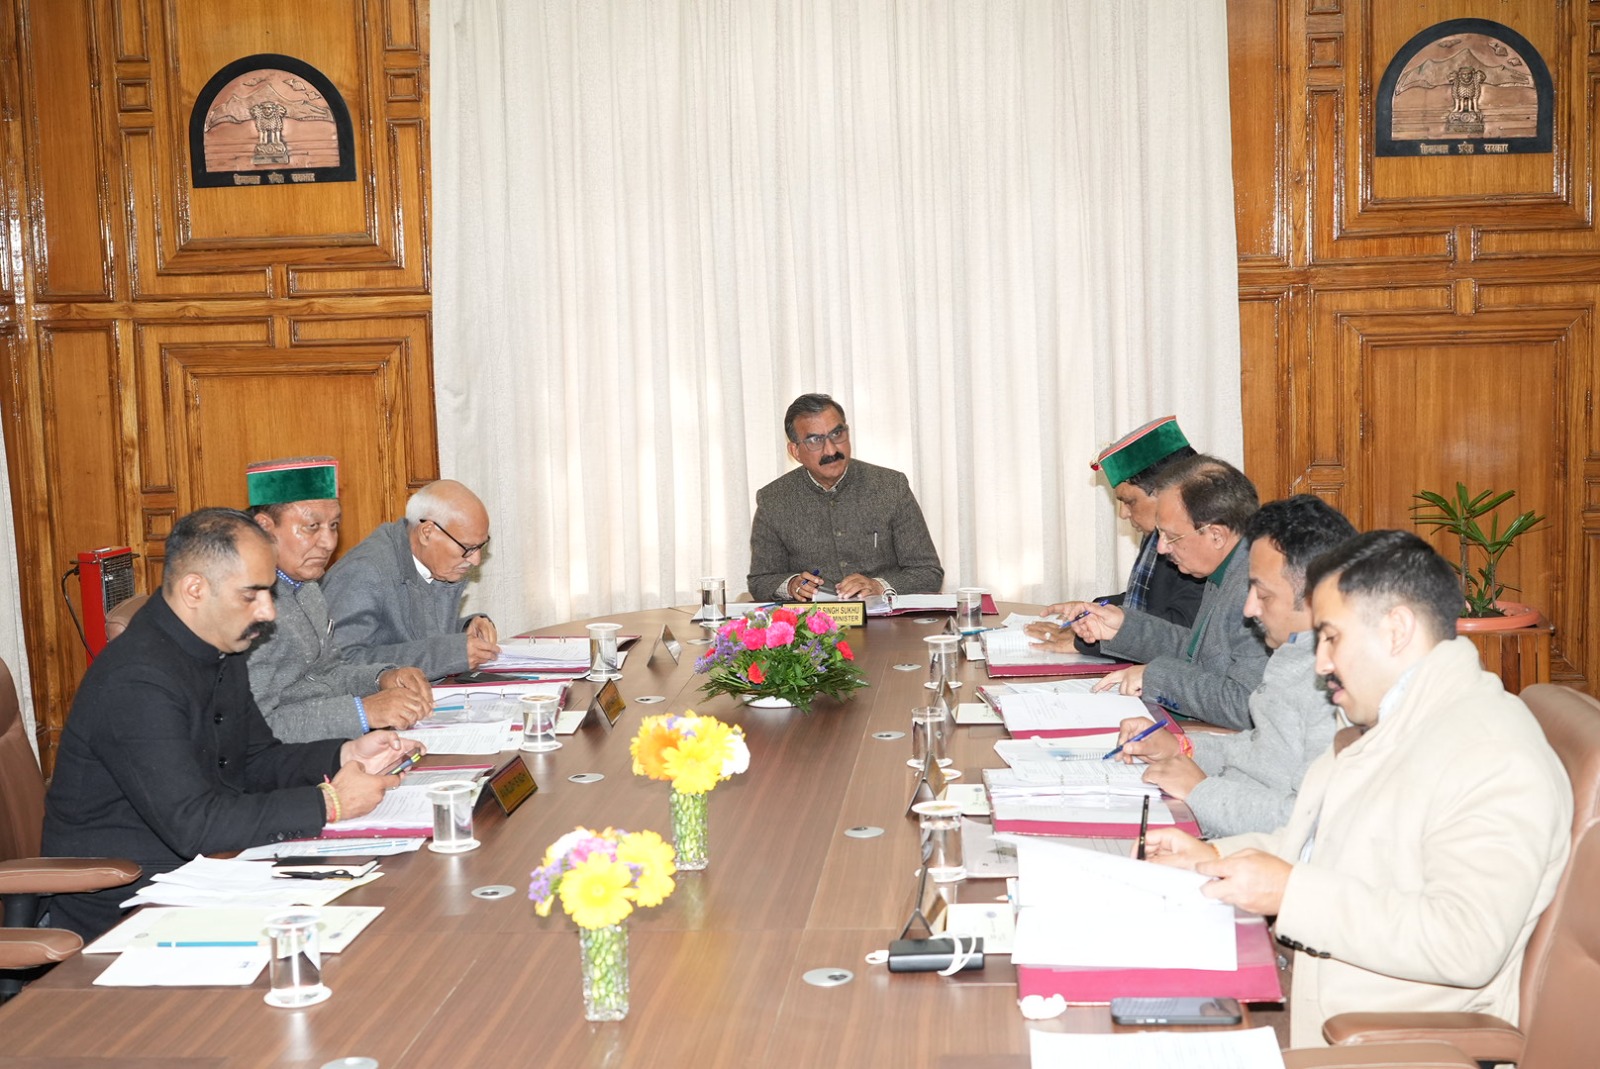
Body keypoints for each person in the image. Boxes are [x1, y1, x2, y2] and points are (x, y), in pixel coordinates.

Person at [1142, 530, 1571, 1047]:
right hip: (1300, 985)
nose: (1321, 663)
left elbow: (1464, 942)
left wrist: (1289, 893)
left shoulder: (1492, 753)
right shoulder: (1392, 720)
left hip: (1375, 1041)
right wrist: (1211, 857)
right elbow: (1316, 847)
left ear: (1396, 630)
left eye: (1331, 638)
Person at [42, 508, 421, 939]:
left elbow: (254, 760)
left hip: (211, 871)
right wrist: (328, 804)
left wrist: (343, 754)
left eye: (269, 593)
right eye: (251, 595)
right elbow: (194, 825)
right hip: (130, 902)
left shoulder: (220, 644)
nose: (268, 611)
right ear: (195, 590)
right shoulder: (136, 679)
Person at [1110, 495, 1354, 835]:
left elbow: (1308, 825)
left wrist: (1199, 791)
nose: (1250, 609)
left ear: (1318, 597)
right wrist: (1182, 747)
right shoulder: (1294, 653)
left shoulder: (1339, 686)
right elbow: (1260, 751)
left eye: (1263, 595)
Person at [1065, 455, 1268, 729]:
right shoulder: (1228, 565)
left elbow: (1247, 706)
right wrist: (1122, 629)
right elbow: (1200, 652)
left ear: (1216, 535)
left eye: (1171, 537)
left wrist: (1156, 678)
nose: (1161, 549)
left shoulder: (1258, 588)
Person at [243, 457, 432, 742]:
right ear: (265, 527)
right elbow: (255, 727)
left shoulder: (307, 588)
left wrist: (381, 678)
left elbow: (327, 674)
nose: (329, 542)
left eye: (333, 525)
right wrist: (361, 713)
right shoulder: (246, 607)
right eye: (312, 526)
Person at [1024, 416, 1204, 652]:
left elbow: (1183, 630)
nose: (1123, 513)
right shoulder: (1156, 533)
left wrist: (1086, 643)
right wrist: (1091, 610)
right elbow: (1145, 602)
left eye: (1129, 501)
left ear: (1168, 492)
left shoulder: (1201, 542)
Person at [747, 393, 943, 601]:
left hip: (883, 616)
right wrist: (791, 585)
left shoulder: (891, 487)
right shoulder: (773, 500)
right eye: (815, 440)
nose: (831, 450)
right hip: (814, 619)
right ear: (795, 451)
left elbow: (928, 573)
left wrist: (879, 586)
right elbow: (761, 580)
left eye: (837, 434)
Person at [322, 479, 500, 679]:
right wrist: (450, 653)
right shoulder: (364, 572)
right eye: (468, 548)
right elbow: (341, 663)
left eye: (481, 546)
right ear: (427, 533)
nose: (476, 560)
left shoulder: (427, 562)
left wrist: (464, 632)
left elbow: (409, 636)